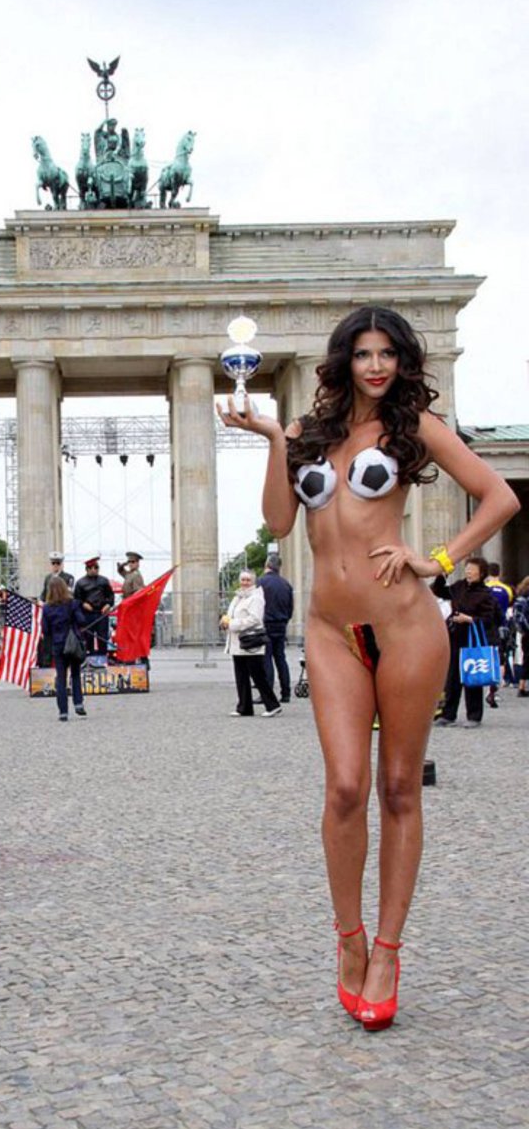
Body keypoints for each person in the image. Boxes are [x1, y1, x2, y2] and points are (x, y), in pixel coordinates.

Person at [218, 304, 518, 1030]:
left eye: (387, 353)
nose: (376, 366)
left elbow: (500, 496)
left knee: (399, 789)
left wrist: (436, 558)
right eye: (363, 354)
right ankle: (348, 939)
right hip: (331, 631)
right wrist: (273, 441)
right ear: (344, 361)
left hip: (406, 626)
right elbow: (281, 522)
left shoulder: (415, 428)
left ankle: (387, 952)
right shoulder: (306, 432)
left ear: (402, 361)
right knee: (346, 787)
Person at [432, 557, 500, 725]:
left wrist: (469, 619)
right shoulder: (459, 586)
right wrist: (442, 574)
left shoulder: (485, 594)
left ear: (481, 573)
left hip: (472, 639)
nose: (468, 571)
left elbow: (489, 619)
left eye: (472, 569)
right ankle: (448, 714)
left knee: (472, 677)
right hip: (455, 636)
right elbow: (439, 591)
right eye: (467, 568)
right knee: (452, 677)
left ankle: (474, 716)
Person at [220, 570, 281, 718]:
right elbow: (231, 615)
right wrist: (225, 621)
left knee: (258, 676)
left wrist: (233, 624)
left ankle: (272, 705)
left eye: (248, 580)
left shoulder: (256, 598)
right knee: (241, 676)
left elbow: (255, 619)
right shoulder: (238, 597)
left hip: (251, 642)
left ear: (253, 581)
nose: (245, 582)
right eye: (243, 579)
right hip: (237, 642)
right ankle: (244, 707)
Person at [41, 575, 87, 721]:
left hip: (58, 645)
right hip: (72, 643)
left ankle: (63, 712)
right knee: (75, 674)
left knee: (61, 678)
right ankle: (78, 703)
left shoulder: (46, 608)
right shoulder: (72, 604)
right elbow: (82, 620)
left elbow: (45, 630)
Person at [257, 553, 294, 703]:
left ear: (267, 565)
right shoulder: (286, 584)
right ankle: (286, 692)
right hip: (281, 624)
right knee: (280, 659)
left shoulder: (261, 582)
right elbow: (290, 608)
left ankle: (267, 693)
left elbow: (257, 605)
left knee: (266, 660)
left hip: (266, 624)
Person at [485, 562, 515, 698]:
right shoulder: (507, 589)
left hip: (486, 625)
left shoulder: (485, 588)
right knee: (501, 655)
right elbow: (509, 604)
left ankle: (488, 685)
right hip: (502, 625)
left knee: (487, 653)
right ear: (499, 573)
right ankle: (496, 687)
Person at [74, 557, 114, 655]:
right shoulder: (80, 583)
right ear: (87, 569)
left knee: (103, 637)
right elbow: (76, 599)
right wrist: (83, 604)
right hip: (88, 614)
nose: (94, 570)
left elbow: (110, 595)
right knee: (88, 638)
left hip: (102, 613)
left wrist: (108, 605)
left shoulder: (104, 581)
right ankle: (89, 657)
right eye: (91, 568)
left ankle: (103, 657)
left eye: (96, 567)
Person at [513, 576, 529, 698]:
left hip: (525, 633)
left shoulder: (520, 598)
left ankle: (522, 686)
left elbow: (517, 617)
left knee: (526, 659)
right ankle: (522, 686)